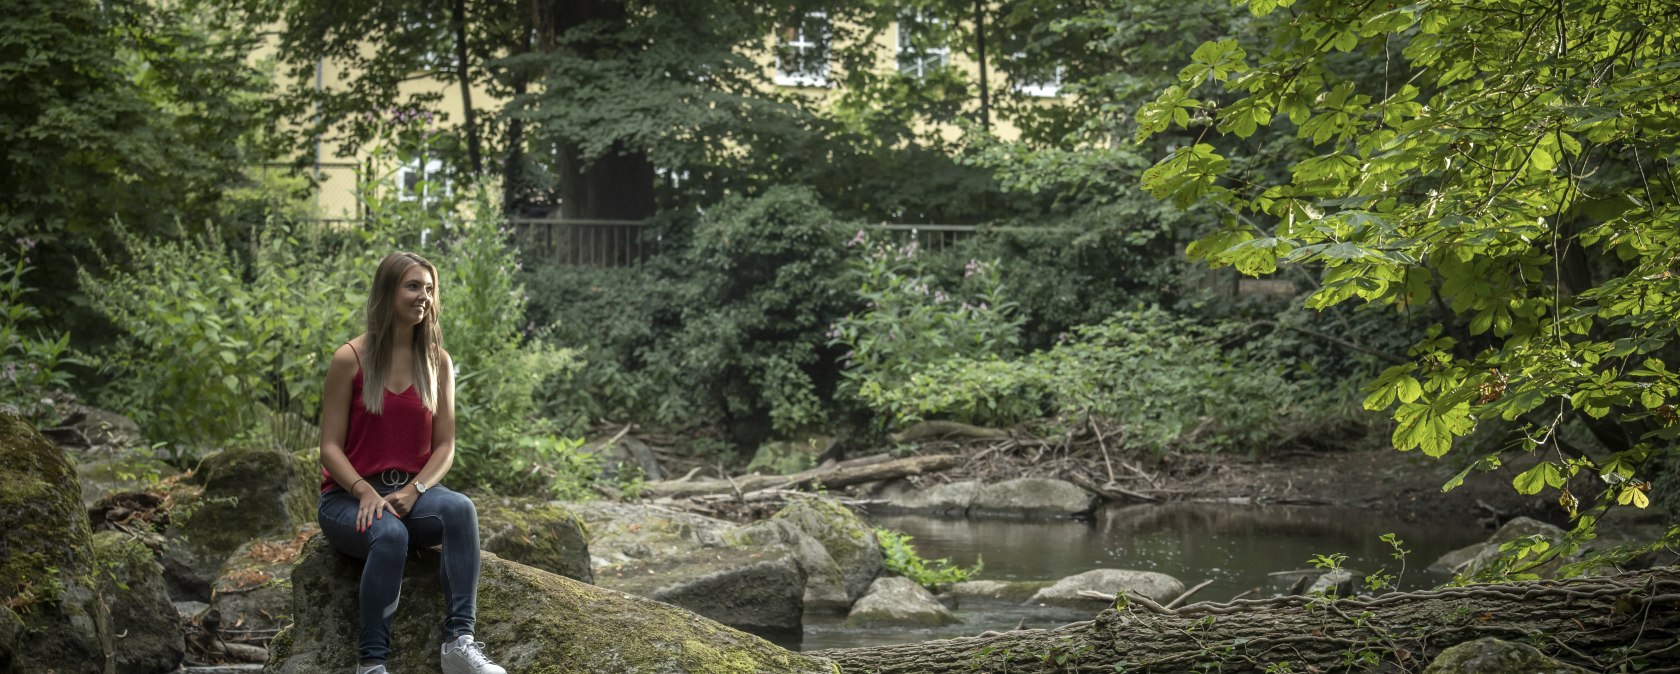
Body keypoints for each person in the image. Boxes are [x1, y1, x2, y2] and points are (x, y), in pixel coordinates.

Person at [317, 252, 507, 674]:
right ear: (387, 292)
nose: (424, 296)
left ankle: (458, 644)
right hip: (347, 498)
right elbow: (329, 447)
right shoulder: (349, 359)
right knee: (389, 535)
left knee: (460, 508)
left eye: (429, 288)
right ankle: (371, 664)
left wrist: (416, 489)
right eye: (413, 286)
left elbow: (445, 446)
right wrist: (364, 490)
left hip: (412, 493)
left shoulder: (438, 362)